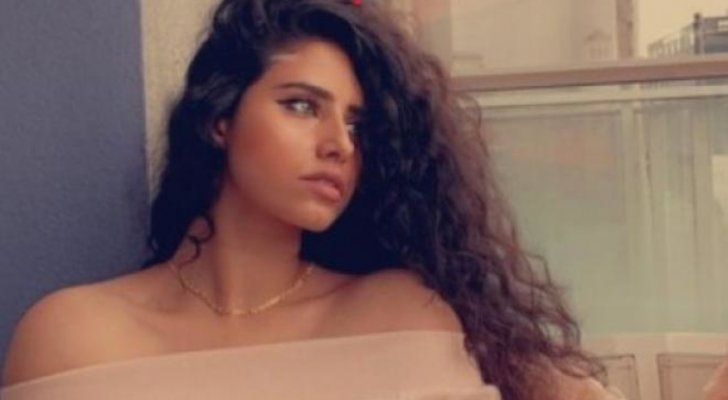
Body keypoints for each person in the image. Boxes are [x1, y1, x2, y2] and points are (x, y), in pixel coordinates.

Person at [1, 1, 623, 399]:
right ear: (220, 119)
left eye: (357, 125)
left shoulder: (402, 310)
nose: (339, 145)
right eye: (301, 105)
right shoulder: (74, 336)